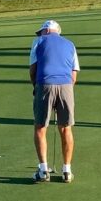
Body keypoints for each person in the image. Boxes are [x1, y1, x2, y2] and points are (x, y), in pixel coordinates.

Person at [28, 19, 78, 182]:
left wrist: (36, 86)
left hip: (45, 84)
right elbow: (74, 74)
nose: (41, 34)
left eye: (42, 31)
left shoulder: (38, 41)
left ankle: (43, 171)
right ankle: (67, 171)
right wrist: (66, 90)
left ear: (47, 31)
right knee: (66, 129)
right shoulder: (70, 44)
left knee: (40, 128)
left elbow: (33, 69)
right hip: (66, 85)